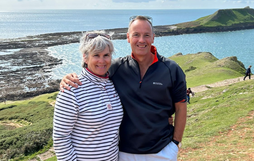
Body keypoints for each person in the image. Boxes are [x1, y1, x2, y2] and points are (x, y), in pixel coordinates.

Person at [60, 16, 187, 160]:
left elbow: (181, 107)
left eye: (146, 35)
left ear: (153, 38)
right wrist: (68, 78)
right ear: (128, 37)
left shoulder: (172, 69)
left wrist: (175, 143)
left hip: (162, 151)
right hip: (123, 153)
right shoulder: (116, 68)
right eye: (136, 35)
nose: (141, 40)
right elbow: (94, 71)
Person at [53, 31, 123, 161]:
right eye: (96, 55)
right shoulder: (72, 89)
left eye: (106, 55)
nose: (102, 61)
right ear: (85, 57)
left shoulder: (111, 84)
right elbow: (60, 139)